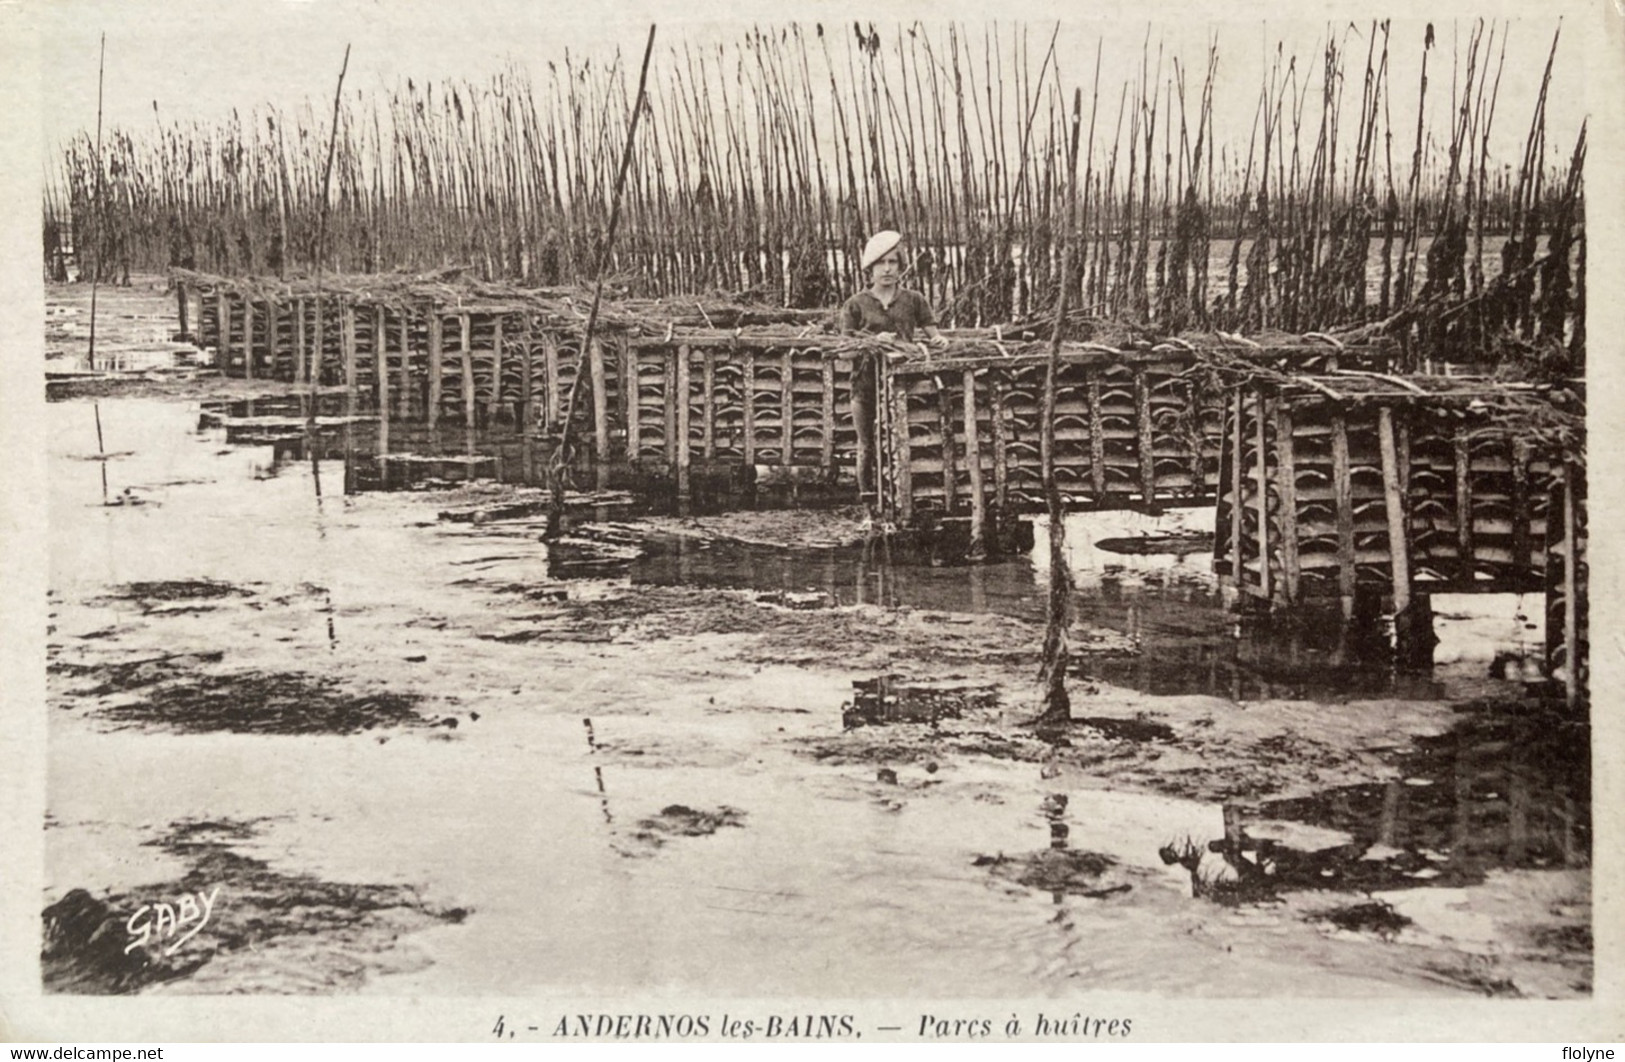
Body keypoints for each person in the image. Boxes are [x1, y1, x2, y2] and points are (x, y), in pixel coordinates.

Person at [840, 230, 947, 499]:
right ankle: (868, 505)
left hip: (904, 388)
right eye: (881, 263)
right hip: (865, 388)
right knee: (866, 446)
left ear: (900, 266)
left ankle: (903, 499)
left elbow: (934, 336)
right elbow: (845, 353)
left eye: (893, 262)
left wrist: (939, 342)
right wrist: (874, 341)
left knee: (905, 444)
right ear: (870, 269)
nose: (887, 269)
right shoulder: (855, 304)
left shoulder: (913, 299)